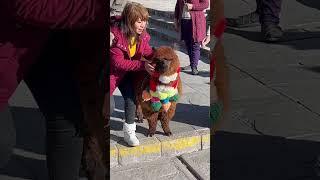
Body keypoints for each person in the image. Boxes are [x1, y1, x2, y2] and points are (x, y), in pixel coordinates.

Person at [0, 1, 106, 179]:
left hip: (46, 37)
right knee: (2, 142)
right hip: (10, 36)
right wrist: (97, 10)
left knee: (68, 117)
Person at [109, 2, 154, 147]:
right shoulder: (116, 35)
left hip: (127, 75)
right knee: (108, 107)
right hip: (111, 74)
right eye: (139, 21)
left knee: (131, 100)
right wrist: (142, 65)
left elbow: (147, 52)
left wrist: (160, 56)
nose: (143, 25)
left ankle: (129, 132)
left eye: (145, 21)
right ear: (129, 21)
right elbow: (118, 63)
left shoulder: (142, 36)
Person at [174, 0, 209, 75]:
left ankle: (194, 66)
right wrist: (175, 20)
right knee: (188, 43)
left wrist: (193, 6)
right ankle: (191, 64)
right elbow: (177, 6)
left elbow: (205, 4)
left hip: (196, 22)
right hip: (184, 21)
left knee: (195, 44)